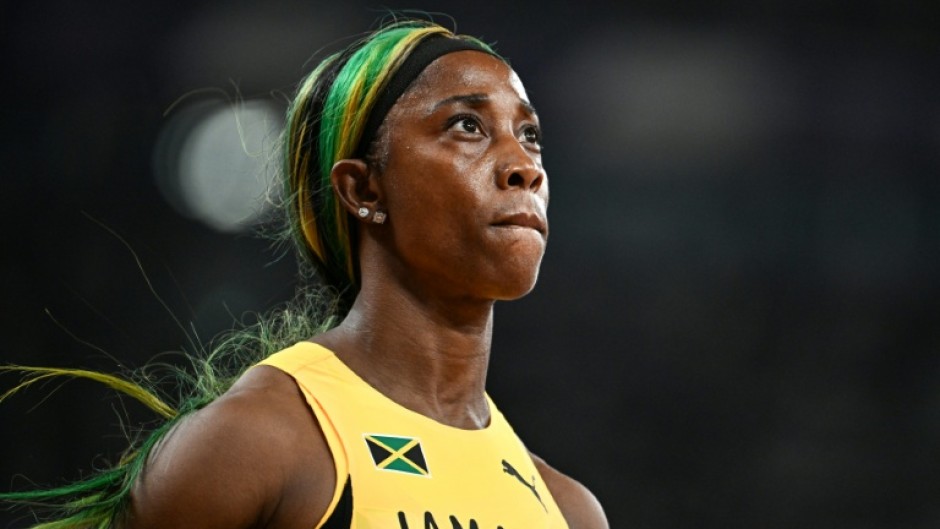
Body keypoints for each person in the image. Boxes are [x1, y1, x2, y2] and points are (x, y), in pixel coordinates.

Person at [1, 18, 608, 529]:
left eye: (529, 135)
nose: (523, 167)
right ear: (363, 188)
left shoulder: (568, 509)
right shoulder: (260, 441)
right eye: (467, 126)